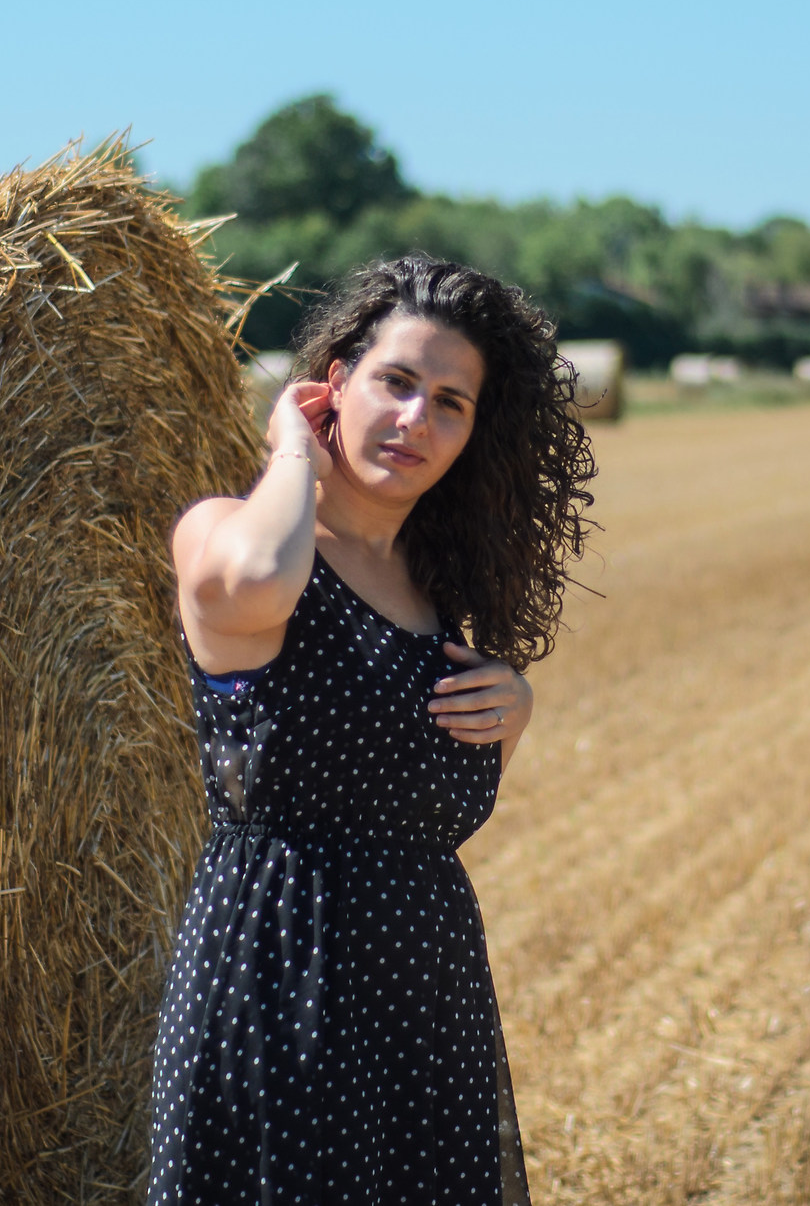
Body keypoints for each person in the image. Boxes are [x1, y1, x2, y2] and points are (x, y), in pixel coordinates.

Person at [148, 254, 596, 1206]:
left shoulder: (439, 595)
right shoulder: (227, 529)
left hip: (426, 991)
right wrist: (289, 456)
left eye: (450, 402)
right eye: (396, 381)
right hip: (280, 978)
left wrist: (517, 702)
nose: (415, 420)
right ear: (335, 381)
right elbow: (264, 580)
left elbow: (414, 790)